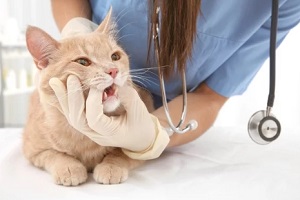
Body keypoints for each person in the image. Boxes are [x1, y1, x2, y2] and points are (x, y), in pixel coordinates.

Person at [49, 0, 300, 160]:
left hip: (172, 113)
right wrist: (77, 30)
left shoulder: (282, 4)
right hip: (87, 82)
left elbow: (211, 97)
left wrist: (152, 135)